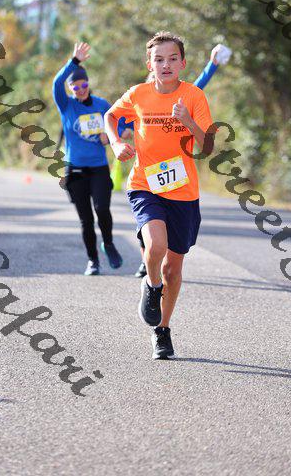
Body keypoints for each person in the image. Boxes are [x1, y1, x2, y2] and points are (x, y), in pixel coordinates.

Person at [105, 31, 215, 359]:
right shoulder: (138, 94)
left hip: (183, 192)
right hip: (146, 185)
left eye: (172, 59)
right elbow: (110, 116)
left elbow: (207, 147)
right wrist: (116, 142)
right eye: (159, 59)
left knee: (173, 270)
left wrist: (188, 121)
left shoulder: (193, 96)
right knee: (155, 246)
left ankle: (162, 329)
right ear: (149, 64)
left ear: (182, 63)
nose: (165, 65)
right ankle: (152, 287)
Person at [133, 43, 227, 279]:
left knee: (170, 251)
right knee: (151, 229)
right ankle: (147, 262)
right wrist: (120, 138)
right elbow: (121, 121)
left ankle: (154, 263)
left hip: (177, 180)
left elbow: (199, 85)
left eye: (172, 60)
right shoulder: (140, 100)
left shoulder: (184, 98)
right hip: (147, 176)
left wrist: (213, 64)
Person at [53, 42, 127, 276]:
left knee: (102, 209)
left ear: (88, 84)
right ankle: (93, 261)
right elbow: (56, 83)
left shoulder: (101, 105)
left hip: (98, 168)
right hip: (75, 171)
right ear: (70, 89)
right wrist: (74, 61)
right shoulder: (66, 105)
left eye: (84, 85)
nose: (80, 89)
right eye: (75, 86)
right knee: (86, 220)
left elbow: (119, 121)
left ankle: (109, 243)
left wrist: (113, 135)